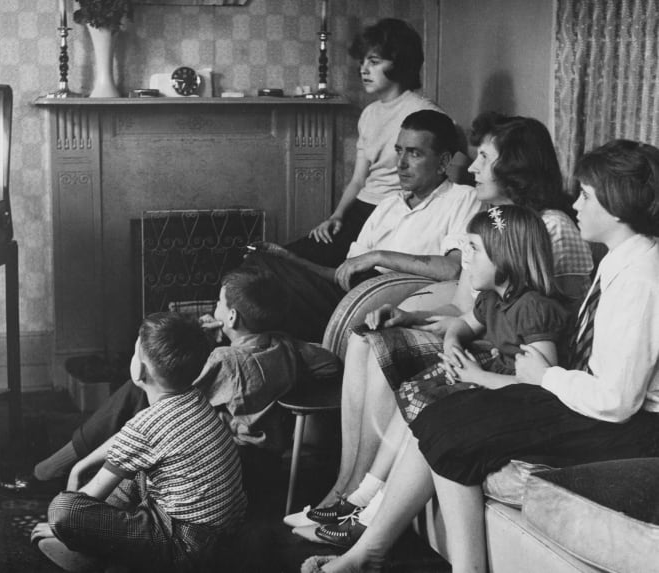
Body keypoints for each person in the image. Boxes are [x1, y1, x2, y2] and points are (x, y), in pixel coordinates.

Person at [302, 139, 659, 573]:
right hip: (588, 397)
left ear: (617, 206)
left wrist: (545, 378)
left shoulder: (642, 279)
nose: (576, 204)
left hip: (633, 426)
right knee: (441, 413)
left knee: (456, 427)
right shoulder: (621, 260)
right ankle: (368, 552)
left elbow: (617, 401)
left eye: (586, 195)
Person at [286, 114, 593, 529]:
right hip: (482, 341)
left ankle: (356, 501)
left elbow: (564, 319)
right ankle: (346, 488)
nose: (472, 168)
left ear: (514, 166)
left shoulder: (548, 226)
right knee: (368, 335)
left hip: (515, 359)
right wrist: (412, 315)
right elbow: (467, 309)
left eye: (484, 156)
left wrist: (477, 350)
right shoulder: (492, 224)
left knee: (383, 351)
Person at [300, 205, 568, 548]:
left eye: (475, 249)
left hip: (516, 401)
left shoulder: (533, 308)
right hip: (490, 381)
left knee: (430, 409)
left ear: (506, 259)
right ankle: (362, 495)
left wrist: (478, 376)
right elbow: (462, 324)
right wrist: (454, 342)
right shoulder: (491, 299)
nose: (465, 258)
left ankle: (369, 515)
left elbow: (541, 386)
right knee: (413, 392)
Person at [17, 267, 341, 498]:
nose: (216, 307)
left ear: (231, 318)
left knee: (136, 390)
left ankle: (53, 471)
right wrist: (286, 383)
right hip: (267, 463)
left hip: (232, 464)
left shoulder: (226, 361)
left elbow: (173, 389)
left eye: (220, 302)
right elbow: (330, 364)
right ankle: (67, 468)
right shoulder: (286, 346)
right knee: (136, 391)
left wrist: (201, 341)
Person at [29, 312, 247, 573]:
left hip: (184, 548)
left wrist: (62, 527)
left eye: (135, 353)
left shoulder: (146, 426)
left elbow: (86, 497)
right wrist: (79, 467)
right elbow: (127, 444)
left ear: (140, 369)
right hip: (221, 535)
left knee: (63, 510)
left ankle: (96, 557)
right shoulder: (195, 399)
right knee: (134, 472)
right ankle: (107, 553)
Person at [246, 109, 482, 342]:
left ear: (443, 162)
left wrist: (378, 256)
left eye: (414, 154)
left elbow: (453, 269)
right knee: (262, 265)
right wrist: (291, 259)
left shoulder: (463, 198)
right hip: (353, 295)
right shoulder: (389, 205)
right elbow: (345, 275)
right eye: (399, 151)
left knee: (264, 290)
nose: (400, 164)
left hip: (383, 304)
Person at [286, 18, 443, 268]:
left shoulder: (424, 111)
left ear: (399, 64)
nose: (363, 70)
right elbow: (359, 180)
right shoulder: (369, 113)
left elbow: (449, 171)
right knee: (281, 256)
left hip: (391, 213)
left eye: (374, 61)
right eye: (363, 62)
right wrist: (336, 216)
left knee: (301, 264)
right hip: (360, 209)